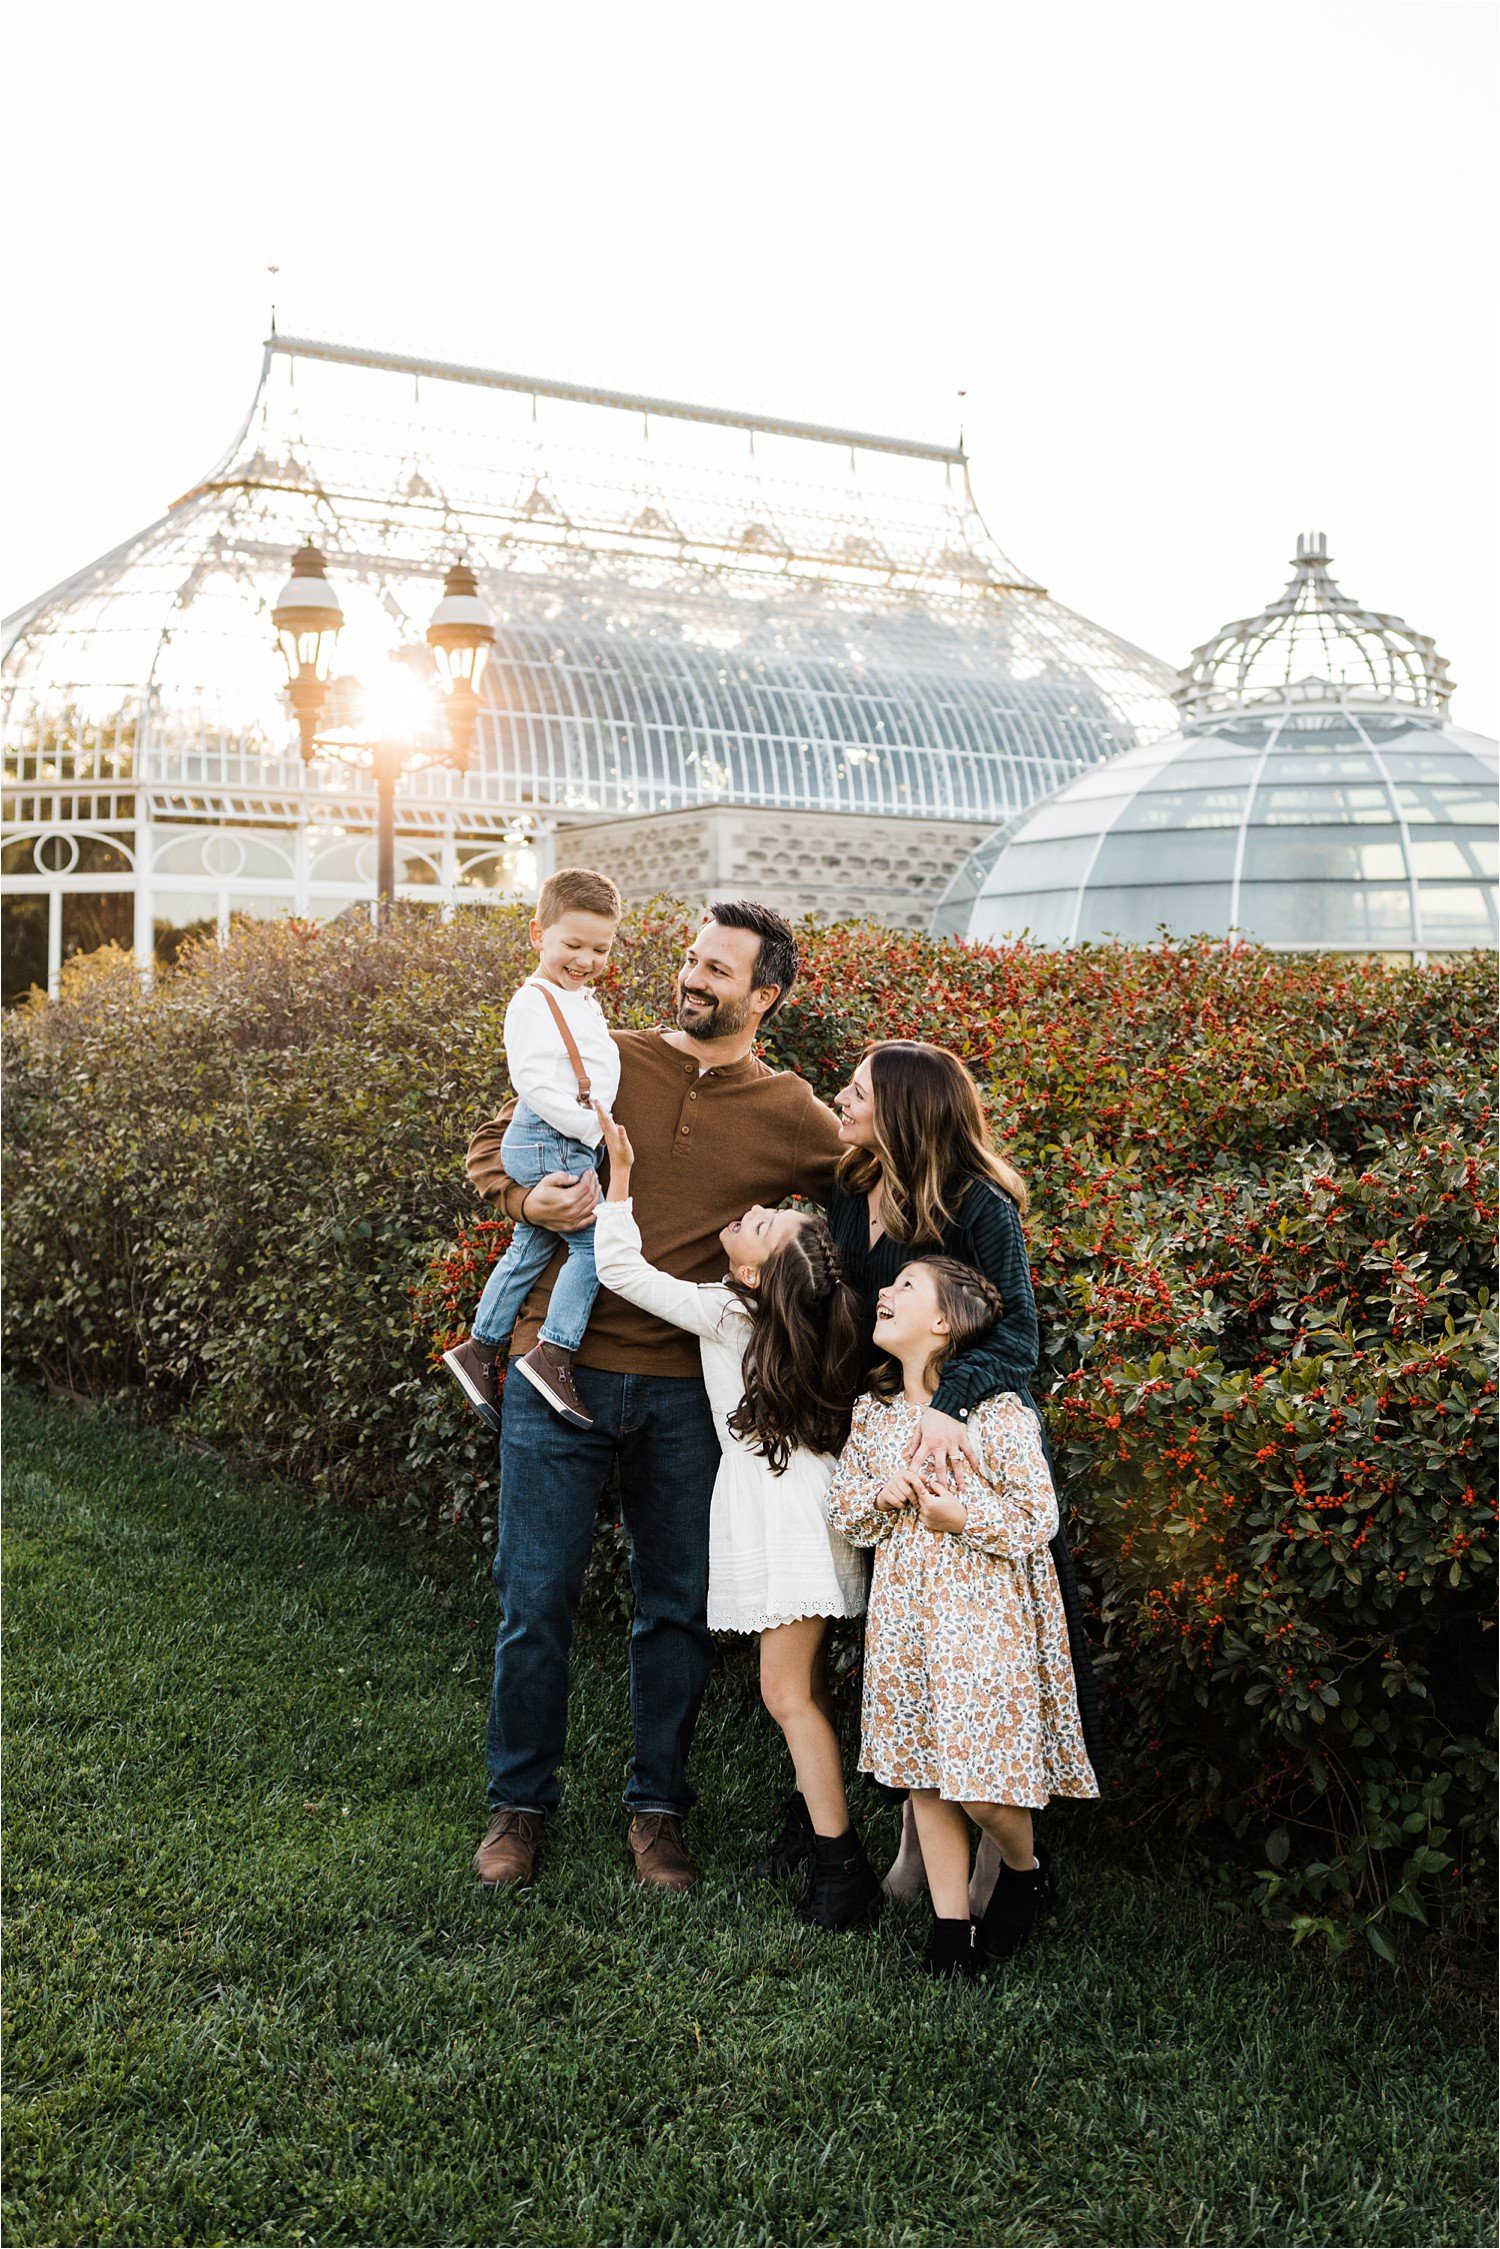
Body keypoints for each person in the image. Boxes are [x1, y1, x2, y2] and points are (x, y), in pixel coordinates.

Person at [464, 902, 846, 1895]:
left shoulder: (792, 1110)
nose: (693, 978)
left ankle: (658, 1812)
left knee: (673, 1608)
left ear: (765, 994)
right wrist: (520, 1198)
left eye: (719, 969)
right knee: (533, 1596)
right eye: (691, 958)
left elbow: (872, 1187)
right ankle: (519, 1806)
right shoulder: (607, 1052)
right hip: (560, 1369)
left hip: (685, 1395)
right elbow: (487, 1142)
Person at [590, 1105, 880, 1930]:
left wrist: (621, 1176)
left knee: (786, 1694)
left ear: (754, 1277)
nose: (752, 1210)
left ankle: (841, 1867)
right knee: (808, 1688)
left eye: (764, 1224)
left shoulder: (727, 1314)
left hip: (780, 1515)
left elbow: (622, 1269)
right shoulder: (807, 1327)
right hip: (810, 1504)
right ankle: (809, 1832)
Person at [827, 1040, 1103, 1906]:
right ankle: (920, 1836)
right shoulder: (848, 1186)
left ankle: (1004, 1861)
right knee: (913, 1648)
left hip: (971, 1438)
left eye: (861, 1091)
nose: (843, 1098)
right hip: (883, 1429)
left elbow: (1019, 1330)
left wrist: (949, 1410)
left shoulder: (978, 1203)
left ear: (905, 1111)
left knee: (988, 1657)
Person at [826, 1256, 1098, 1978]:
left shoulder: (998, 1413)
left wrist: (959, 1514)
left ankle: (1022, 1865)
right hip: (905, 1626)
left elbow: (1036, 1518)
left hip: (983, 1626)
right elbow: (846, 1513)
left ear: (945, 1323)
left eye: (905, 1286)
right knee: (925, 1771)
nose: (883, 1290)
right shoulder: (874, 1414)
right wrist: (884, 1494)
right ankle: (952, 1927)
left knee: (980, 1782)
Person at [442, 867, 622, 1432]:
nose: (586, 959)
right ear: (537, 935)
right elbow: (534, 1085)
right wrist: (595, 1129)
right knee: (595, 1245)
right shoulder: (533, 1001)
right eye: (572, 944)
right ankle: (554, 1353)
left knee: (531, 1245)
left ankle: (480, 1347)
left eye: (600, 948)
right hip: (552, 1139)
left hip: (563, 1137)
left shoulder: (578, 999)